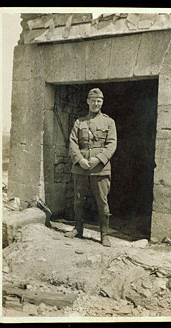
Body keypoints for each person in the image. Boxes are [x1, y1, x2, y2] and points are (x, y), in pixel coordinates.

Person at [65, 88, 117, 247]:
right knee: (78, 200)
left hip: (100, 168)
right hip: (81, 168)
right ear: (88, 101)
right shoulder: (79, 122)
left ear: (102, 102)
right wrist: (79, 159)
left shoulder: (109, 122)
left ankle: (104, 235)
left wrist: (98, 160)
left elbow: (111, 144)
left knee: (102, 202)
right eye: (93, 100)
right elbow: (72, 143)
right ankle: (78, 229)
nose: (96, 103)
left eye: (99, 101)